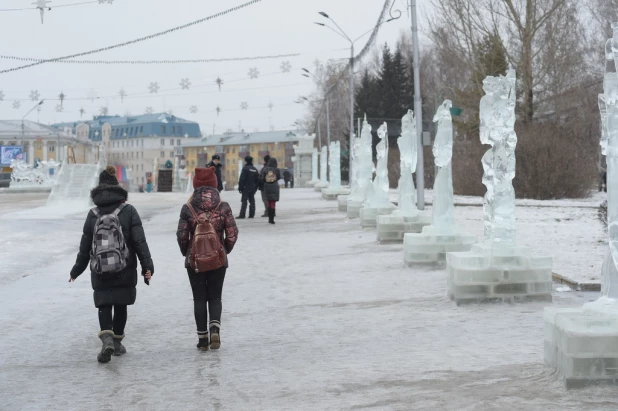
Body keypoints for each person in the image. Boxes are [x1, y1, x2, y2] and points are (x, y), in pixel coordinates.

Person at [69, 166, 154, 363]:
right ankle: (116, 342)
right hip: (125, 267)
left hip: (100, 270)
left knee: (105, 303)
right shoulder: (128, 211)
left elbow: (84, 247)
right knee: (121, 303)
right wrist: (147, 266)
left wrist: (76, 270)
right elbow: (139, 242)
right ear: (117, 187)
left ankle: (106, 338)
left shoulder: (93, 214)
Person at [177, 167, 238, 351]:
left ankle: (203, 339)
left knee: (199, 298)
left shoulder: (188, 208)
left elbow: (181, 235)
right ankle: (215, 330)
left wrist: (187, 252)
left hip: (194, 260)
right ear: (214, 185)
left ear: (195, 185)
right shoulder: (223, 206)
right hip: (218, 260)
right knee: (215, 296)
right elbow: (233, 233)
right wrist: (223, 250)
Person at [260, 157, 281, 225]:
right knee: (273, 203)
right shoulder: (276, 169)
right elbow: (279, 177)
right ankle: (272, 219)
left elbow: (262, 179)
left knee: (268, 202)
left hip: (267, 187)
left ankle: (269, 218)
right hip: (275, 187)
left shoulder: (265, 169)